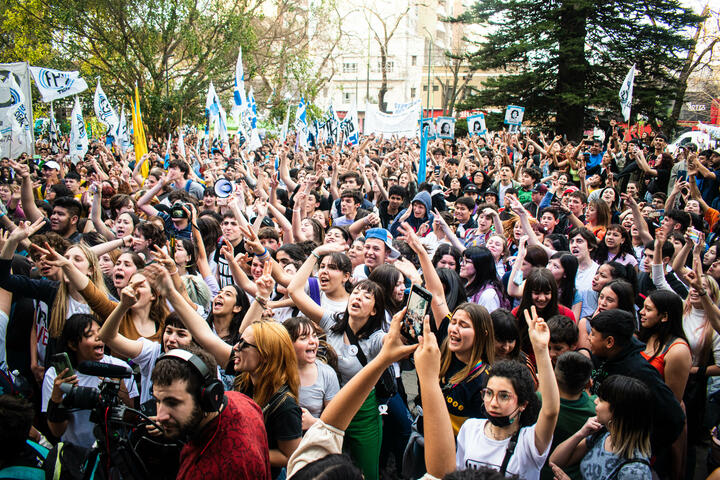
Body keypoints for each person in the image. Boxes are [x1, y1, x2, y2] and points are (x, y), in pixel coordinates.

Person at [452, 307, 560, 479]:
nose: (493, 403)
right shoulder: (469, 429)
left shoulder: (529, 443)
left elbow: (551, 411)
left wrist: (541, 349)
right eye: (488, 393)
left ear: (523, 404)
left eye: (504, 396)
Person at [151, 345, 271, 480]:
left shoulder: (213, 471)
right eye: (157, 401)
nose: (159, 417)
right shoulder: (242, 401)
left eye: (173, 403)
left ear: (206, 398)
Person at [587, 309, 685, 460]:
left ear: (609, 342)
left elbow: (674, 417)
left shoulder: (640, 373)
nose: (588, 338)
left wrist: (642, 449)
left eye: (593, 334)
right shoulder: (605, 355)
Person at [42, 313, 139, 448]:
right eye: (89, 335)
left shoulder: (120, 368)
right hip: (74, 454)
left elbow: (130, 419)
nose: (98, 337)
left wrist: (119, 384)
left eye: (100, 332)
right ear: (72, 344)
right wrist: (57, 396)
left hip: (112, 452)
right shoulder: (55, 376)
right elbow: (57, 431)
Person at [549, 375, 653, 480]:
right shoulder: (603, 434)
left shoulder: (635, 472)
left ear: (618, 411)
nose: (595, 401)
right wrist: (580, 434)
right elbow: (555, 462)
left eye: (602, 399)